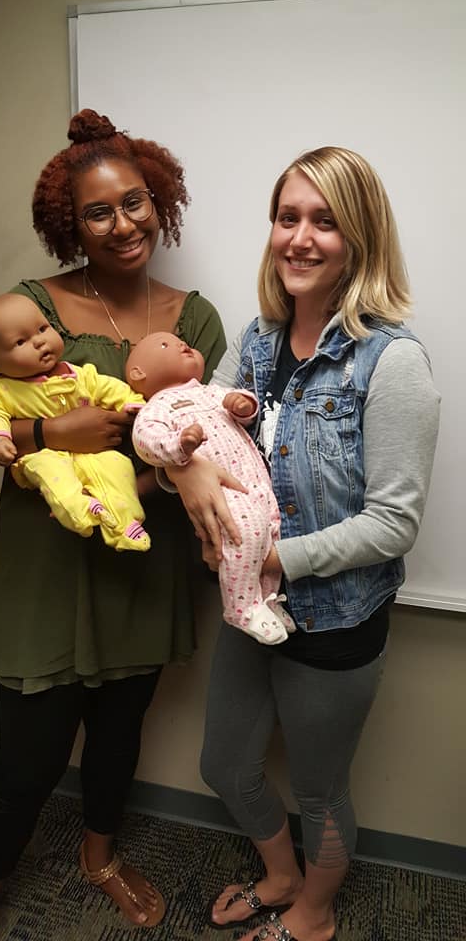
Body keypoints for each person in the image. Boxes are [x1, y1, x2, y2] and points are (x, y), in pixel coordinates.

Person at [0, 108, 226, 940]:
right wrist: (38, 435)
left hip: (142, 562)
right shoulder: (28, 309)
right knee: (24, 761)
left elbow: (206, 431)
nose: (123, 223)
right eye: (98, 211)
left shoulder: (194, 316)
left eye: (135, 202)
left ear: (159, 201)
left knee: (117, 737)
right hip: (43, 573)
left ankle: (99, 856)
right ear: (71, 221)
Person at [166, 146, 440, 941]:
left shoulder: (392, 363)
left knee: (320, 793)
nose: (301, 237)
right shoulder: (256, 339)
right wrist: (186, 476)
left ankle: (314, 916)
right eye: (288, 217)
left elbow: (394, 524)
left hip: (336, 621)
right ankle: (282, 875)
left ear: (360, 239)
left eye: (325, 221)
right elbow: (200, 432)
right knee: (225, 764)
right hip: (252, 612)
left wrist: (271, 558)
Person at [126, 331, 295, 645]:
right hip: (221, 491)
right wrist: (179, 448)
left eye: (179, 340)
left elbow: (243, 413)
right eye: (165, 344)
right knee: (243, 535)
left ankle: (268, 600)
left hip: (252, 478)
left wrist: (242, 405)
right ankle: (242, 608)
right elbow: (146, 443)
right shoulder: (156, 407)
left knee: (273, 530)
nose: (179, 344)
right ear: (139, 373)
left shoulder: (210, 391)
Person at [0, 292, 150, 551]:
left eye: (43, 329)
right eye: (21, 341)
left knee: (117, 467)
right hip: (44, 455)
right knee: (52, 473)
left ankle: (125, 523)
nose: (40, 342)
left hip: (95, 453)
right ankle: (79, 511)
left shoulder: (80, 374)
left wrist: (132, 404)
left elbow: (110, 389)